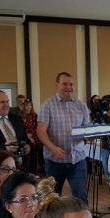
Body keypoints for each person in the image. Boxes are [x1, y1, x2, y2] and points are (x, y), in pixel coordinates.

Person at [37, 72, 91, 203]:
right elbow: (40, 131)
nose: (68, 87)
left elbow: (87, 129)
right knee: (52, 199)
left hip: (78, 160)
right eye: (64, 84)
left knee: (81, 198)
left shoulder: (81, 105)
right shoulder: (47, 105)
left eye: (71, 84)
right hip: (54, 161)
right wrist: (52, 147)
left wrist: (91, 135)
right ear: (57, 85)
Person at [20, 98, 43, 174]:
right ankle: (27, 173)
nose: (28, 107)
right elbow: (20, 127)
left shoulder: (34, 115)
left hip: (34, 137)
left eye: (30, 105)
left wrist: (32, 134)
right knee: (27, 156)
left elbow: (37, 126)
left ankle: (34, 172)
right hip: (24, 137)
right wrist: (26, 135)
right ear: (24, 106)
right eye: (26, 105)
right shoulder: (20, 116)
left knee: (34, 155)